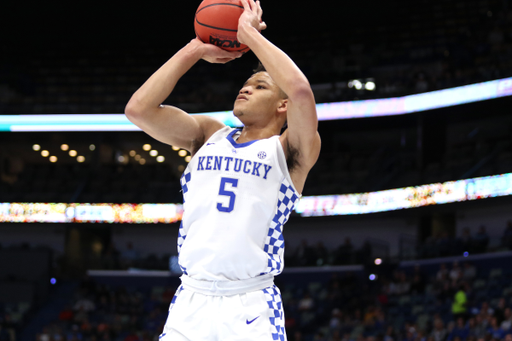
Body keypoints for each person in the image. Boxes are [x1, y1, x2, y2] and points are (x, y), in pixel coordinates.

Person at [124, 0, 321, 339]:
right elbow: (138, 110)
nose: (245, 88)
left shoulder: (289, 150)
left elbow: (302, 91)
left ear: (282, 105)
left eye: (260, 86)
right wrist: (194, 50)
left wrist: (248, 34)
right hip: (191, 300)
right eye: (246, 83)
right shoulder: (208, 134)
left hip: (249, 304)